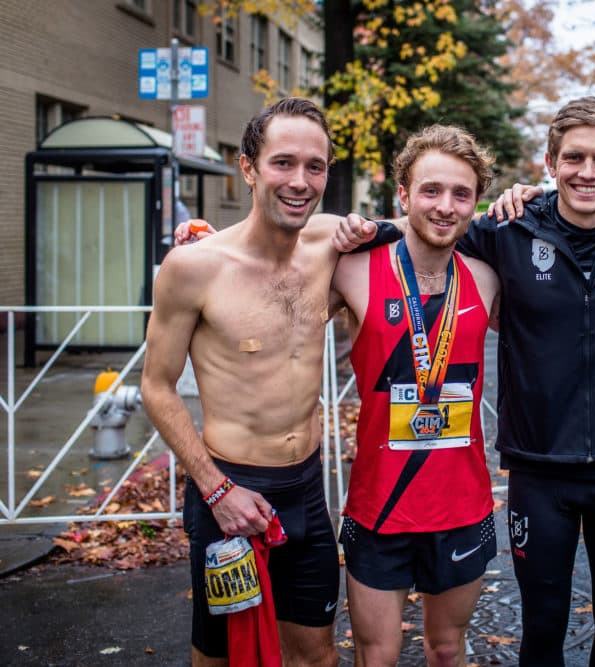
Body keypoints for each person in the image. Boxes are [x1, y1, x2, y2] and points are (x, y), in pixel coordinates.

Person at [335, 97, 595, 666]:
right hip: (539, 470)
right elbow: (432, 223)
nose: (589, 171)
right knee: (542, 633)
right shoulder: (507, 230)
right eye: (574, 157)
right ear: (550, 162)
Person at [142, 97, 383, 667]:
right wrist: (216, 489)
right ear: (247, 168)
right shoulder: (195, 266)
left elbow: (433, 226)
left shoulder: (332, 241)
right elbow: (157, 386)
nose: (300, 181)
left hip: (306, 488)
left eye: (315, 166)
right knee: (223, 656)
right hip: (231, 489)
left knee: (316, 654)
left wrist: (517, 206)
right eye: (282, 163)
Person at [326, 124, 501, 666]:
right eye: (430, 190)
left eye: (461, 194)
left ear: (476, 202)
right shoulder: (353, 268)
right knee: (377, 654)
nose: (445, 206)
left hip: (462, 505)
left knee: (448, 649)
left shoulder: (487, 277)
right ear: (403, 195)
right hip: (380, 508)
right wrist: (207, 245)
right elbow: (272, 268)